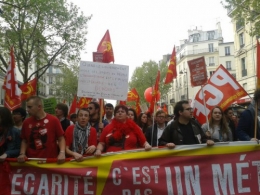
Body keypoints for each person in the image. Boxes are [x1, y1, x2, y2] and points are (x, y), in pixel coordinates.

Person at [17, 96, 66, 164]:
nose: (27, 110)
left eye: (30, 107)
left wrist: (62, 153)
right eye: (27, 107)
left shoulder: (54, 120)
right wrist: (22, 153)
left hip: (49, 162)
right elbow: (24, 140)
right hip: (31, 162)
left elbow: (61, 138)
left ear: (39, 107)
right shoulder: (26, 122)